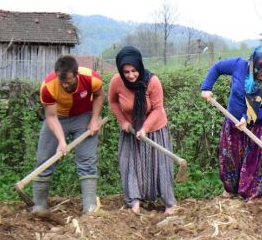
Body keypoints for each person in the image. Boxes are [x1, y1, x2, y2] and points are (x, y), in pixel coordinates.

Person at [200, 45, 262, 201]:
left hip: (260, 126)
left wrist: (248, 118)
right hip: (233, 122)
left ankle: (252, 197)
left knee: (255, 162)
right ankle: (230, 191)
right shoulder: (239, 65)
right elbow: (217, 68)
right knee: (230, 158)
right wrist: (206, 87)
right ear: (253, 65)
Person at [31, 55, 104, 214]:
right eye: (61, 81)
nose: (64, 85)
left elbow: (99, 96)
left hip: (84, 116)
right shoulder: (48, 87)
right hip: (59, 119)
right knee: (45, 159)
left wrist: (94, 119)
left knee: (87, 160)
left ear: (76, 75)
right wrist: (61, 141)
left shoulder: (92, 79)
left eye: (68, 82)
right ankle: (39, 205)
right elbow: (50, 116)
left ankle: (90, 207)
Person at [108, 46, 176, 215]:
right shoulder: (117, 81)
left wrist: (145, 128)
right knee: (130, 165)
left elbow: (158, 108)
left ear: (140, 66)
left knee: (160, 165)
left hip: (155, 129)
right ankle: (134, 201)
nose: (131, 75)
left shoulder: (152, 82)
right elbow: (113, 102)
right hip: (130, 130)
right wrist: (122, 121)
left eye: (134, 70)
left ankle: (169, 204)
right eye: (126, 72)